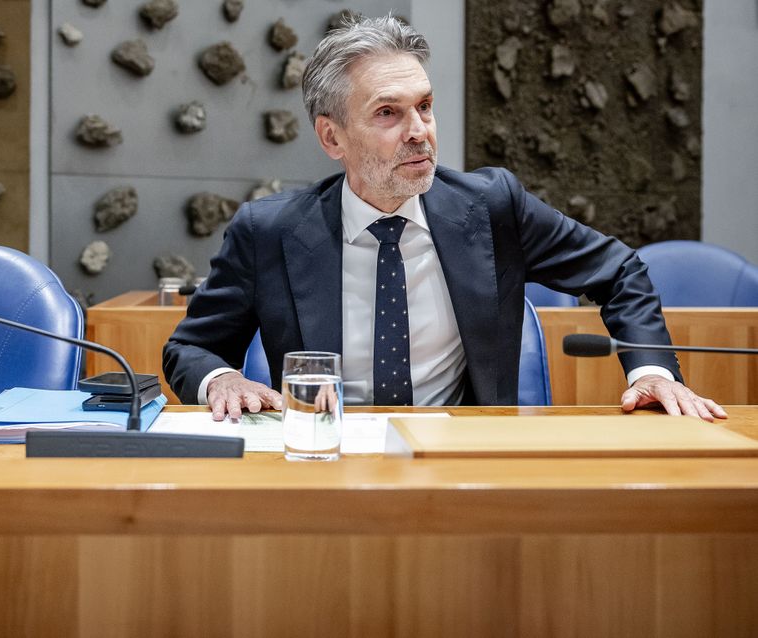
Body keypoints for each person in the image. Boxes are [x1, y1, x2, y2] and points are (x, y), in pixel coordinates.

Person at [162, 15, 726, 423]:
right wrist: (224, 379)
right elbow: (190, 349)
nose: (419, 130)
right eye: (388, 112)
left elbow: (619, 270)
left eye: (424, 106)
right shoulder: (271, 231)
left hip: (462, 453)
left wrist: (652, 371)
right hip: (322, 455)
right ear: (332, 137)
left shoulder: (491, 204)